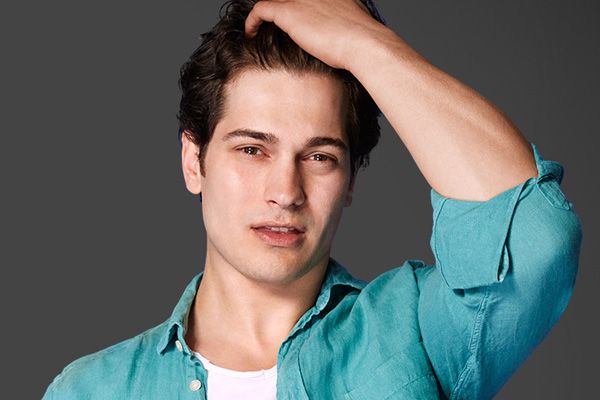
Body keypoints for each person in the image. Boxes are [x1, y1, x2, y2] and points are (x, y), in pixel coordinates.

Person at [43, 0, 582, 399]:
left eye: (320, 156)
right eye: (252, 149)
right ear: (193, 160)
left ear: (350, 180)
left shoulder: (411, 335)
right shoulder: (91, 391)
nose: (285, 192)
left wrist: (365, 45)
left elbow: (535, 241)